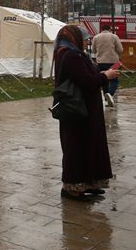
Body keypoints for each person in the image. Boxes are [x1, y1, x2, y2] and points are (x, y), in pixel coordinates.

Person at [53, 24, 117, 201]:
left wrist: (100, 73)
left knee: (85, 146)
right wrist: (106, 77)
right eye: (85, 38)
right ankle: (73, 188)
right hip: (78, 111)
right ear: (75, 38)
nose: (88, 41)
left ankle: (86, 183)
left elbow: (84, 76)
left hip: (80, 110)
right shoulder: (71, 55)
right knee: (77, 148)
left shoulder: (67, 53)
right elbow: (87, 81)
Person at [90, 24, 123, 107]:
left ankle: (106, 96)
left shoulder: (96, 37)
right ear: (110, 29)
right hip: (113, 61)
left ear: (101, 29)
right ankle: (109, 95)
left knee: (104, 78)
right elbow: (120, 49)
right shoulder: (114, 36)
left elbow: (93, 50)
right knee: (114, 80)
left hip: (101, 61)